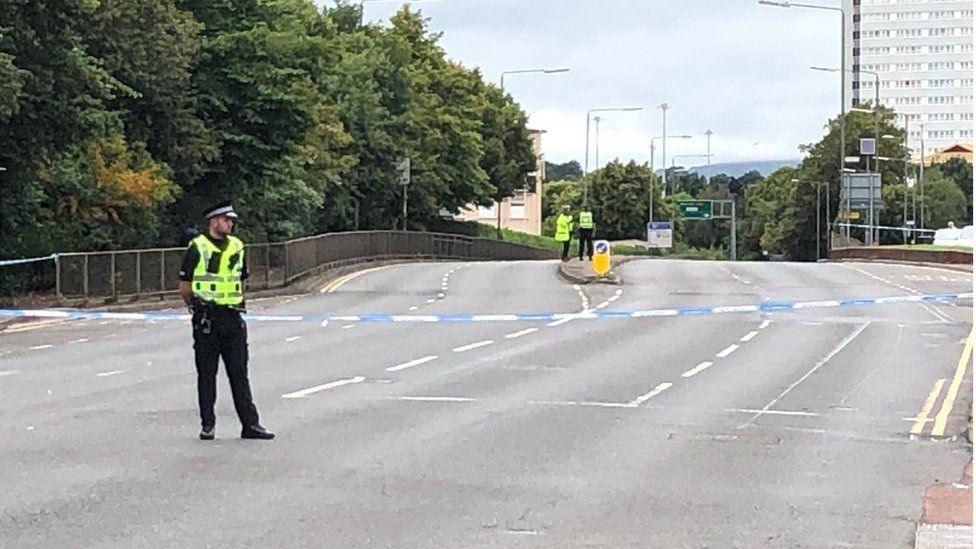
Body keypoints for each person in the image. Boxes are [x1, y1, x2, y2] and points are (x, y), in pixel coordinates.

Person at [178, 201, 274, 441]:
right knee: (207, 374)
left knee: (239, 373)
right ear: (213, 221)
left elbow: (241, 279)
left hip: (232, 317)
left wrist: (236, 299)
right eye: (226, 219)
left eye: (231, 220)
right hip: (207, 319)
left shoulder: (237, 246)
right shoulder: (197, 247)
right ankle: (207, 424)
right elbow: (185, 286)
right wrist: (196, 307)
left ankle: (250, 425)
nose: (230, 223)